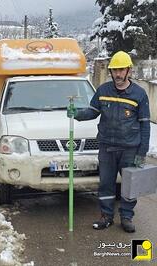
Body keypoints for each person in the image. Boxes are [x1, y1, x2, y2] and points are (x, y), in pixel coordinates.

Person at [67, 51, 150, 233]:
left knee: (129, 184)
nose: (118, 74)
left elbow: (145, 125)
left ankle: (126, 217)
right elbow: (92, 111)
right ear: (111, 72)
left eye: (121, 70)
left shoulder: (139, 94)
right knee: (106, 183)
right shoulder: (103, 91)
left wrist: (142, 153)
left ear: (129, 71)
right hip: (107, 147)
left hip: (130, 148)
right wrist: (77, 114)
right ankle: (106, 216)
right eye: (115, 70)